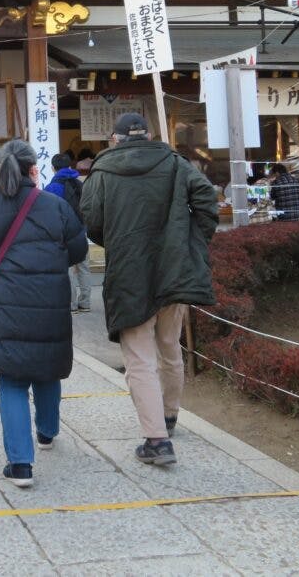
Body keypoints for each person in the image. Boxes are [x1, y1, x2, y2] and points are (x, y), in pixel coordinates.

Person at [79, 112, 218, 467]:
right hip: (173, 267)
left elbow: (91, 219)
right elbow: (205, 199)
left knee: (139, 354)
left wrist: (114, 240)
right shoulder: (175, 163)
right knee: (170, 347)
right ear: (151, 135)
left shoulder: (103, 171)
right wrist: (193, 242)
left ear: (115, 138)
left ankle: (156, 440)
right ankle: (169, 417)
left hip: (128, 271)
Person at [0, 140, 88, 489]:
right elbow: (77, 249)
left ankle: (20, 464)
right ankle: (47, 431)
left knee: (11, 380)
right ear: (33, 169)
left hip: (3, 302)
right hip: (50, 300)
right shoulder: (54, 206)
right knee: (46, 365)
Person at [45, 152, 90, 312]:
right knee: (84, 267)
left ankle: (71, 304)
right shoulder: (80, 183)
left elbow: (48, 213)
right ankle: (85, 302)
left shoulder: (51, 187)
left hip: (63, 232)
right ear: (70, 166)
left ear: (53, 168)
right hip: (81, 230)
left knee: (68, 267)